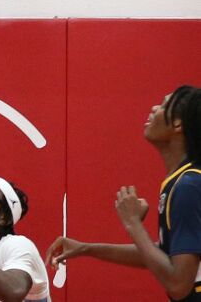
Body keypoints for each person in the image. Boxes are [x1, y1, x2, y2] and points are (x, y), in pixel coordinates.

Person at [45, 85, 201, 301]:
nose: (154, 108)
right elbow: (167, 255)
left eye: (163, 105)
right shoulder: (182, 181)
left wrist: (133, 223)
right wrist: (86, 248)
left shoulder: (189, 185)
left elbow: (178, 285)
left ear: (178, 124)